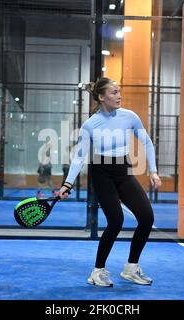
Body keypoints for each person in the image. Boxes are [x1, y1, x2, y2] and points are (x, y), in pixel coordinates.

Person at [59, 77, 162, 287]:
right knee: (116, 221)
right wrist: (67, 184)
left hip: (123, 172)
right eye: (114, 92)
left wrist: (153, 171)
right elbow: (80, 156)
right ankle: (97, 271)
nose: (119, 96)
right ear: (101, 97)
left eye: (119, 91)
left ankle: (131, 268)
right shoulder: (90, 125)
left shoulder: (129, 116)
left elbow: (147, 142)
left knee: (146, 217)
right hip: (101, 173)